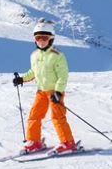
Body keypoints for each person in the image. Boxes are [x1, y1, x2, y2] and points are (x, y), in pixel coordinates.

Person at [12, 19, 78, 155]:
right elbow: (33, 72)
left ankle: (68, 143)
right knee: (34, 116)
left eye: (44, 38)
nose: (41, 41)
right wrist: (22, 79)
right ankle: (34, 141)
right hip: (41, 91)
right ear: (34, 40)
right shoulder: (34, 55)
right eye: (38, 38)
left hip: (54, 92)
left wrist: (58, 92)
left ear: (51, 39)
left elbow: (63, 75)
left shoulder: (57, 56)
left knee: (57, 117)